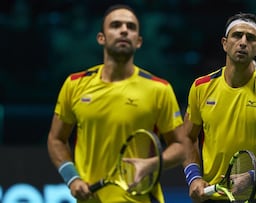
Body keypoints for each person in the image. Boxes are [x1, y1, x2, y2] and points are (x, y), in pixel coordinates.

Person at [47, 4, 185, 203]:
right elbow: (56, 139)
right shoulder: (74, 84)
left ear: (138, 41)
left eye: (131, 27)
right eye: (115, 25)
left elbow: (180, 145)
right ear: (101, 38)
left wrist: (152, 164)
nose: (123, 30)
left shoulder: (159, 89)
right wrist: (73, 179)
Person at [182, 12, 256, 203]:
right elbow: (187, 136)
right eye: (237, 35)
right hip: (213, 196)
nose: (243, 42)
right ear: (224, 43)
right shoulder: (200, 88)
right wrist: (193, 177)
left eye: (250, 38)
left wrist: (252, 177)